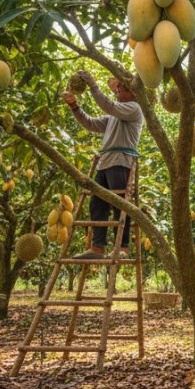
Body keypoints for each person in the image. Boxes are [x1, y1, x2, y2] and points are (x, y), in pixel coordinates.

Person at [60, 71, 143, 260]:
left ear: (133, 93)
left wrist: (93, 85)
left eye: (121, 88)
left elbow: (109, 106)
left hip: (121, 160)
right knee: (97, 204)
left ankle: (123, 247)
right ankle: (97, 248)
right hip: (105, 162)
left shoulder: (134, 108)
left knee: (120, 204)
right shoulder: (115, 115)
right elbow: (90, 124)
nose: (118, 90)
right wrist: (74, 106)